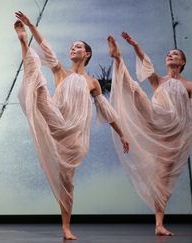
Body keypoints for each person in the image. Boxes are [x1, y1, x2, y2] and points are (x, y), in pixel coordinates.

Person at [14, 11, 129, 240]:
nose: (73, 49)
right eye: (71, 47)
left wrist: (123, 134)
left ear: (86, 54)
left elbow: (106, 111)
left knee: (67, 182)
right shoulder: (61, 72)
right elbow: (47, 48)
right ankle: (24, 45)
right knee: (38, 75)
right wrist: (30, 26)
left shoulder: (92, 82)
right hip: (56, 119)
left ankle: (66, 227)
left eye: (78, 47)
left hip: (75, 137)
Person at [107, 32, 192, 236]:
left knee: (163, 179)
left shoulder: (190, 86)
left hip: (175, 135)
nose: (170, 56)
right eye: (168, 54)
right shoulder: (158, 81)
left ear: (183, 61)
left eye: (175, 54)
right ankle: (118, 58)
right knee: (135, 89)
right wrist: (135, 45)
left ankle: (159, 224)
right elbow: (146, 65)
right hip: (156, 118)